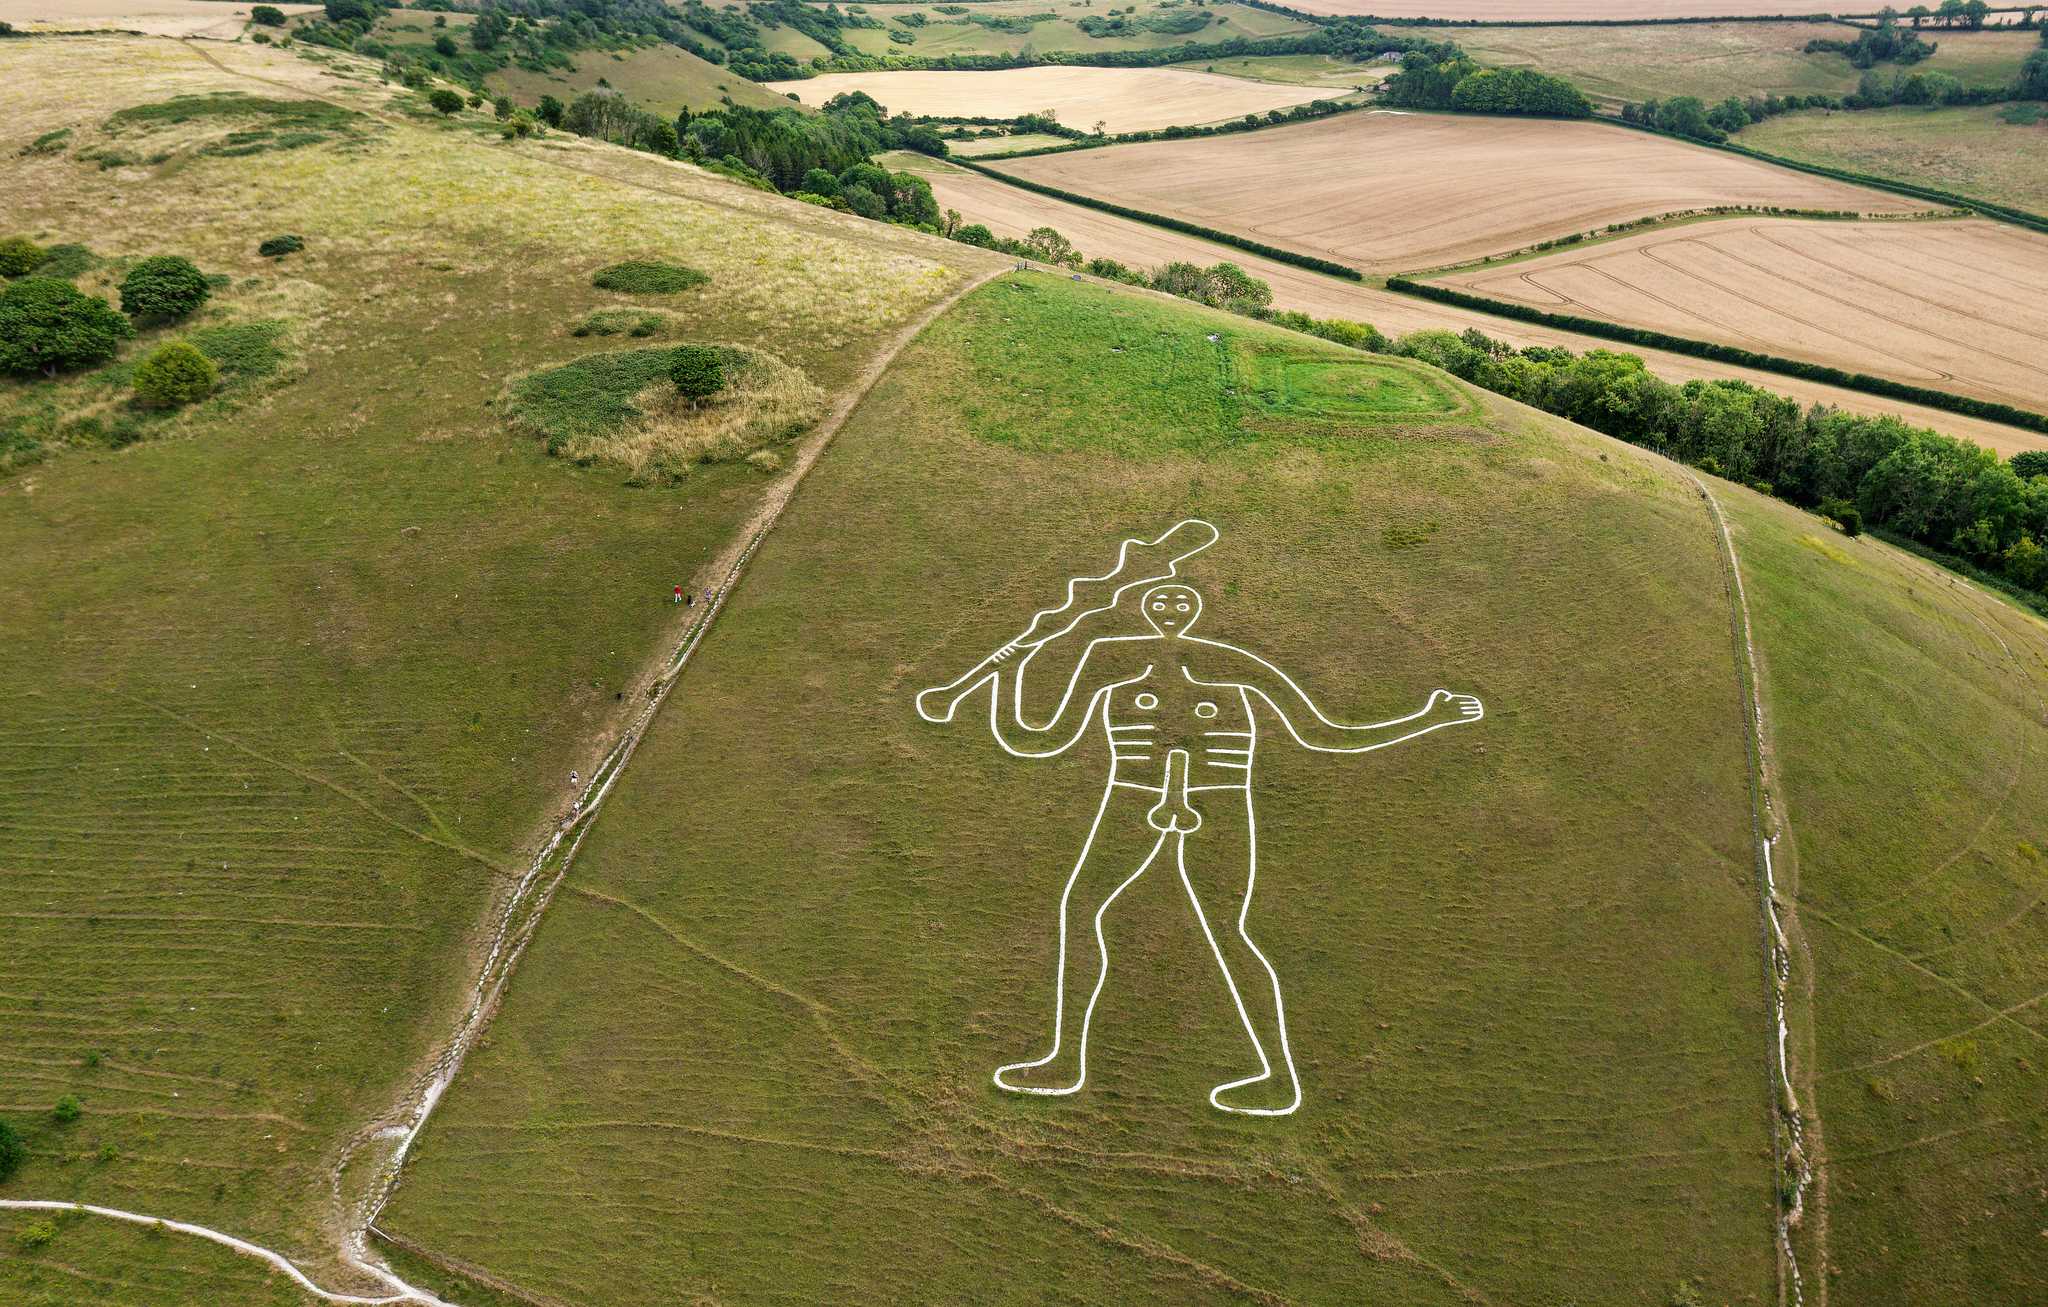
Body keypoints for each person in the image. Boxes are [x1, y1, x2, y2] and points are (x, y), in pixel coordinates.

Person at [916, 522, 1482, 1116]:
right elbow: (1038, 739)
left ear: (1198, 608)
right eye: (1160, 600)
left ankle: (1277, 1077)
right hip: (1132, 796)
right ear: (1140, 604)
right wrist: (1008, 676)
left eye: (1182, 601)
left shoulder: (1231, 663)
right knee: (1082, 910)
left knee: (1227, 931)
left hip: (1218, 799)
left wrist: (1429, 718)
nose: (1171, 609)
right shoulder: (1108, 658)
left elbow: (1324, 733)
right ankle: (1064, 1062)